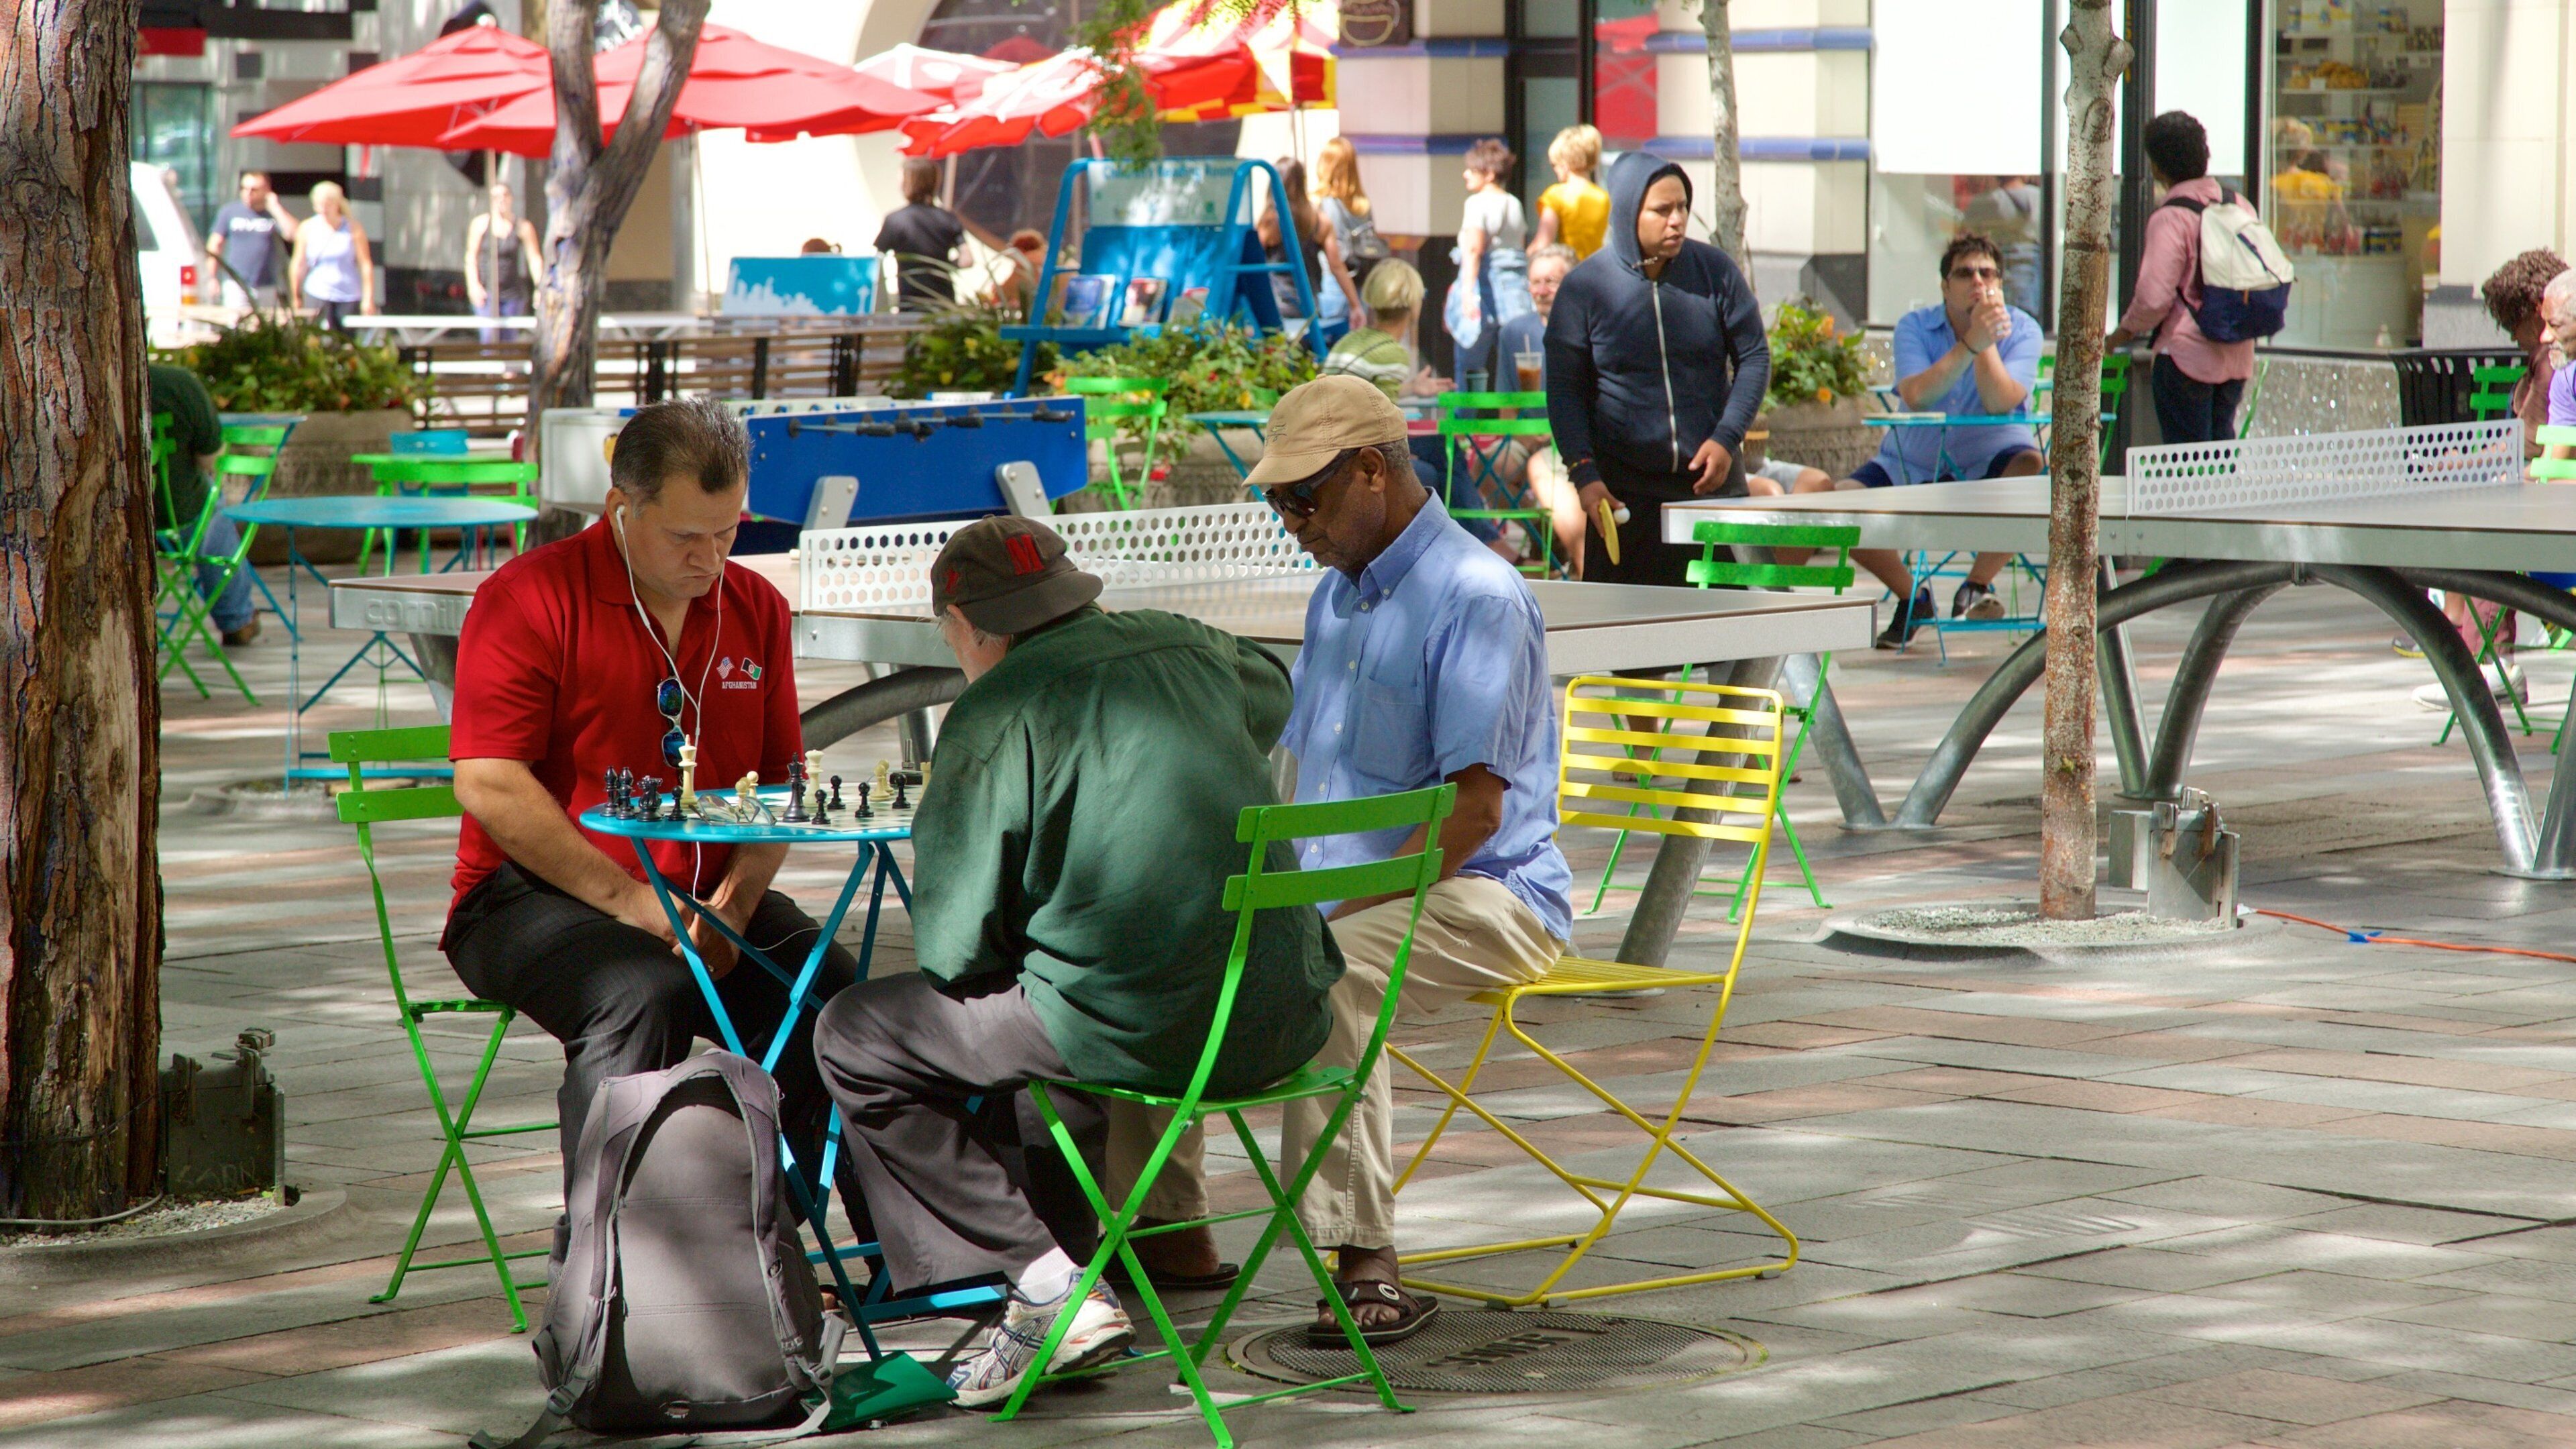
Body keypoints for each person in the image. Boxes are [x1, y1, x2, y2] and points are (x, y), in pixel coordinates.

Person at [810, 515, 1342, 1406]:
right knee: (1038, 1007)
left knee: (857, 1034)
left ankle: (1042, 1284)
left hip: (1148, 1033)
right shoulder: (1190, 644)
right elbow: (1273, 697)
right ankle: (1056, 1282)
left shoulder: (993, 708)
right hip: (1289, 1012)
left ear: (966, 626)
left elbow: (953, 947)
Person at [443, 397, 859, 1214]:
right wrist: (639, 906)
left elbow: (778, 784)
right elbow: (489, 782)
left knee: (841, 1005)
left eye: (730, 531)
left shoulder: (756, 606)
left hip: (706, 895)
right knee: (642, 993)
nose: (711, 558)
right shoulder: (529, 594)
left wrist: (734, 906)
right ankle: (609, 1278)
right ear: (619, 511)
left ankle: (877, 1269)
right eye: (685, 536)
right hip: (531, 897)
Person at [1243, 375, 1570, 1341]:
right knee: (1153, 943)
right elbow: (1300, 769)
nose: (1290, 521)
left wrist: (1325, 910)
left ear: (1374, 472)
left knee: (1326, 976)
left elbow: (1471, 817)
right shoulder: (1335, 595)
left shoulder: (1477, 595)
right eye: (1276, 502)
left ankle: (1362, 1257)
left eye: (1303, 498)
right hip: (1354, 889)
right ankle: (1164, 1232)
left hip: (1489, 896)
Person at [1544, 151, 1769, 586]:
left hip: (1713, 486)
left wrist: (1726, 439)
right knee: (1633, 644)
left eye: (1683, 207)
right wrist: (1584, 475)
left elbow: (1755, 357)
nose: (1677, 220)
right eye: (1662, 210)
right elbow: (1565, 391)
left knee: (1743, 631)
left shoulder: (1715, 272)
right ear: (1630, 213)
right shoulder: (1583, 289)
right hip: (1625, 497)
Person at [1817, 231, 2042, 647]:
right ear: (1945, 286)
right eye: (1965, 273)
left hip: (1990, 459)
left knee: (2031, 466)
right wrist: (1970, 342)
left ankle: (1976, 586)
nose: (1978, 282)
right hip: (1912, 461)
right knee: (1834, 502)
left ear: (2001, 284)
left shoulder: (2024, 328)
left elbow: (2000, 402)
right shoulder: (1914, 326)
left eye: (1988, 274)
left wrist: (1985, 340)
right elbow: (1918, 396)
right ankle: (1912, 596)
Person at [2404, 249, 2571, 704]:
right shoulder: (2560, 371)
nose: (2536, 336)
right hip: (2553, 507)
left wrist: (2469, 466)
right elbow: (2554, 449)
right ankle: (2469, 651)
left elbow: (2535, 448)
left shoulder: (2552, 367)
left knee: (2485, 529)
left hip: (2557, 532)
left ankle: (2484, 663)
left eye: (2550, 324)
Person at [1320, 262, 1517, 562]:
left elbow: (1360, 394)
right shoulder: (1392, 353)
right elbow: (1375, 418)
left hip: (1334, 445)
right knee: (1441, 461)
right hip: (1354, 452)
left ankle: (1475, 545)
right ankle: (1480, 544)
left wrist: (1411, 388)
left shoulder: (1355, 341)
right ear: (1414, 305)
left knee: (1440, 452)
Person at [2108, 113, 2257, 448]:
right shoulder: (2240, 205)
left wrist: (2120, 335)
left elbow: (2153, 299)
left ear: (2157, 167)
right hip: (2237, 353)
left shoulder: (2171, 215)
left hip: (2186, 356)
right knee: (2220, 459)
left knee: (2187, 467)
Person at [146, 362, 259, 647]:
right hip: (176, 515)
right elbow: (211, 459)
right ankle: (236, 619)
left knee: (209, 505)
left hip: (116, 515)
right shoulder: (178, 384)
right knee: (213, 503)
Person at [1500, 242, 1583, 564]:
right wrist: (1523, 436)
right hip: (1525, 437)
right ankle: (1537, 536)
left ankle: (1573, 557)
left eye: (1551, 281)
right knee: (1486, 467)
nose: (1542, 290)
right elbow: (1506, 407)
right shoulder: (1514, 332)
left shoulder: (1583, 327)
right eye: (1536, 282)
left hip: (1568, 440)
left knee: (1542, 469)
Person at [1448, 138, 1534, 390]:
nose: (1466, 174)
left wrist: (1466, 293)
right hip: (1515, 290)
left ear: (1488, 173)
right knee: (1517, 367)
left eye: (1472, 170)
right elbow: (1519, 244)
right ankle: (1523, 426)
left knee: (1470, 367)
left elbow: (1474, 250)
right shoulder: (1514, 203)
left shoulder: (1476, 203)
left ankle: (1465, 426)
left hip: (1484, 288)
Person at [1258, 158, 1363, 331]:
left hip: (1278, 307)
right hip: (1309, 307)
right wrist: (1355, 305)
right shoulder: (1319, 220)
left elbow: (1253, 259)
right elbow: (1337, 266)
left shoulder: (1269, 221)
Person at [1311, 138, 1385, 337]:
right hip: (1361, 281)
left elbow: (1335, 260)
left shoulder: (1322, 204)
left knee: (1330, 346)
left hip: (1333, 283)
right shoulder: (1362, 204)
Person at [875, 158, 967, 313]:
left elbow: (876, 259)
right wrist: (942, 266)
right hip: (944, 303)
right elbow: (967, 260)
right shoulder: (948, 218)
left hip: (911, 304)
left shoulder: (895, 220)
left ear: (908, 182)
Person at [205, 169, 296, 311]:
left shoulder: (272, 213)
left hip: (267, 284)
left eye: (254, 190)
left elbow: (292, 234)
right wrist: (212, 277)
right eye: (244, 188)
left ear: (266, 190)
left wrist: (276, 207)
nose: (248, 193)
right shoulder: (230, 211)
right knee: (237, 326)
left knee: (266, 331)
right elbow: (215, 245)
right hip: (237, 284)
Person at [289, 181, 374, 329]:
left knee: (346, 340)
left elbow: (365, 264)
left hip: (348, 294)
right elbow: (298, 264)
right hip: (317, 291)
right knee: (317, 338)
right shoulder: (307, 228)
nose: (323, 209)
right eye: (319, 205)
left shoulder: (353, 228)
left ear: (337, 204)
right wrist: (296, 295)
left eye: (327, 205)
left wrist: (368, 298)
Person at [464, 182, 541, 343]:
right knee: (488, 336)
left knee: (509, 341)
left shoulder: (522, 227)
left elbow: (534, 258)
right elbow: (471, 257)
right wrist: (473, 285)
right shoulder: (481, 224)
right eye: (496, 197)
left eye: (505, 196)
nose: (501, 200)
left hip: (512, 293)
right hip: (487, 292)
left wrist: (540, 287)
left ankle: (509, 369)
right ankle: (490, 368)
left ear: (511, 199)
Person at [1961, 175, 2043, 317]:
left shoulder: (1987, 200)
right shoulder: (2041, 197)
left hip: (1998, 265)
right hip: (2034, 267)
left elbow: (1967, 234)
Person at [1532, 124, 1610, 259]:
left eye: (1554, 165)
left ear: (1564, 164)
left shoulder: (1556, 195)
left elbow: (1543, 243)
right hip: (1595, 269)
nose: (1555, 170)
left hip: (1567, 269)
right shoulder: (1603, 197)